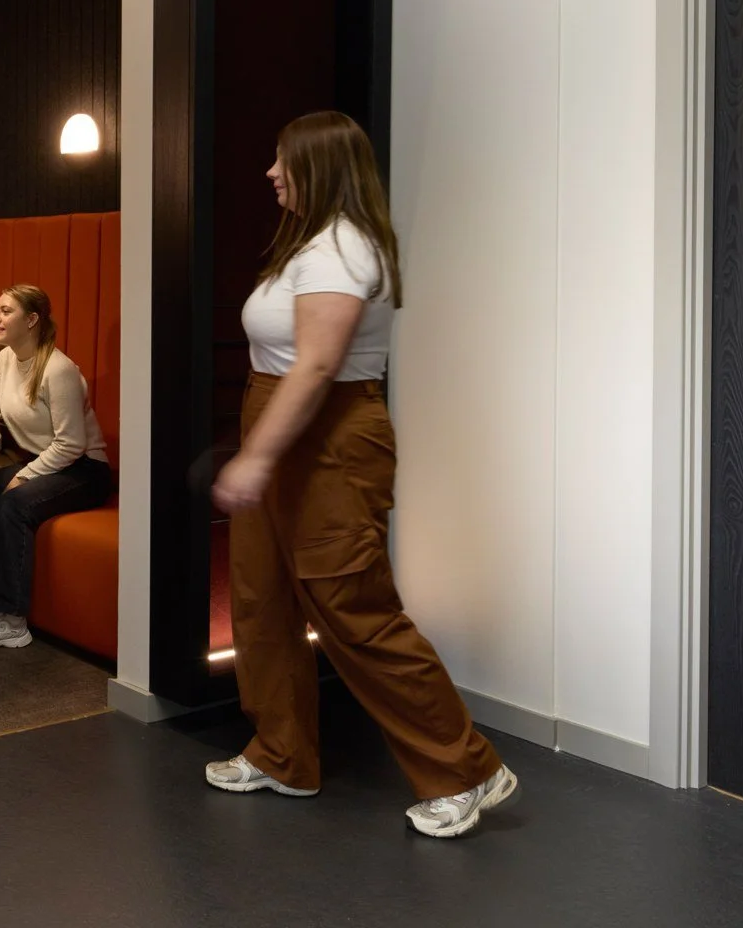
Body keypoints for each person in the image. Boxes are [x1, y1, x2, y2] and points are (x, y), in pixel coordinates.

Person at [206, 110, 517, 840]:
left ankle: (468, 770)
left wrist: (255, 457)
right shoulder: (310, 246)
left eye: (283, 161)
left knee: (353, 606)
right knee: (261, 599)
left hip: (330, 438)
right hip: (283, 427)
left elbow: (315, 367)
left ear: (318, 166)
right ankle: (282, 754)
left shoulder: (341, 249)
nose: (272, 173)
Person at [0, 285, 111, 651]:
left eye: (5, 312)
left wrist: (25, 475)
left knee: (13, 504)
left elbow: (71, 444)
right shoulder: (6, 358)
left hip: (83, 470)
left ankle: (10, 618)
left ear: (31, 320)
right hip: (47, 463)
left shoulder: (59, 369)